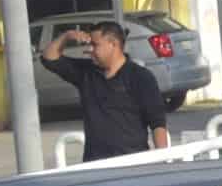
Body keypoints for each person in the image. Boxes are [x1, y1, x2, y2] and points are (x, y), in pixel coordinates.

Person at [39, 20, 172, 161]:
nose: (90, 49)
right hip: (95, 165)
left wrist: (162, 163)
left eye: (95, 45)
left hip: (133, 164)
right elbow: (49, 58)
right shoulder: (86, 73)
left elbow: (157, 124)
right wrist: (67, 36)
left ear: (113, 44)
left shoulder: (140, 77)